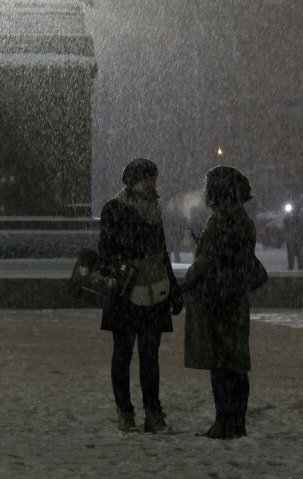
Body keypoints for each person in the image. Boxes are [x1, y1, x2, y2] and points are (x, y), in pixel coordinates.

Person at [99, 158, 183, 433]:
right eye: (147, 179)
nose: (151, 185)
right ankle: (125, 412)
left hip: (154, 290)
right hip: (126, 291)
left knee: (150, 356)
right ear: (133, 182)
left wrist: (172, 287)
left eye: (153, 179)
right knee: (123, 355)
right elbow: (109, 251)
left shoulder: (155, 209)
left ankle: (153, 411)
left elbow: (161, 253)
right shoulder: (114, 209)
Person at [181, 165, 258, 439]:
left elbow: (205, 262)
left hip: (217, 299)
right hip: (236, 298)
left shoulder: (219, 221)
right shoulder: (243, 219)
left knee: (220, 363)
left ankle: (223, 422)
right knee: (236, 363)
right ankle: (237, 422)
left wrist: (185, 283)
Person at [283, 204, 303, 270]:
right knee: (291, 253)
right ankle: (291, 266)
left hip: (297, 237)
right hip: (291, 237)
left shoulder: (299, 216)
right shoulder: (289, 216)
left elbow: (302, 225)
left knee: (298, 252)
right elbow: (285, 223)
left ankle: (300, 266)